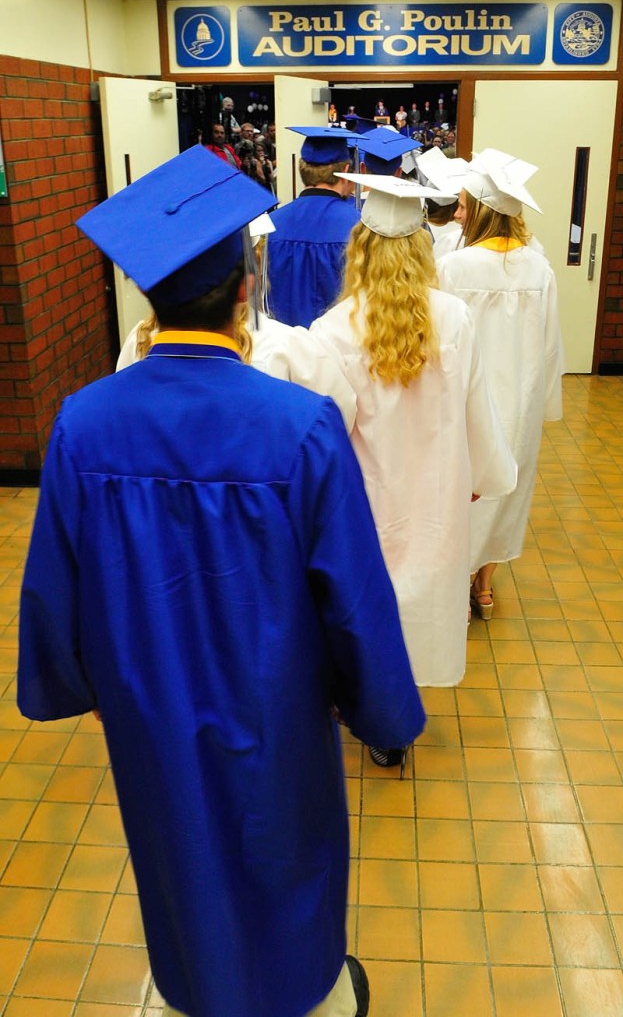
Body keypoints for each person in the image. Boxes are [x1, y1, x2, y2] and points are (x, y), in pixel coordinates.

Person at [17, 145, 426, 1017]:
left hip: (148, 706)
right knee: (286, 841)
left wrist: (72, 684)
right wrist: (382, 710)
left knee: (178, 846)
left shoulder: (83, 424)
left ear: (146, 297)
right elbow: (353, 599)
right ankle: (300, 990)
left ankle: (198, 990)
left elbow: (55, 586)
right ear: (247, 289)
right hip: (274, 703)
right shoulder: (300, 427)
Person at [263, 172, 516, 713]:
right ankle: (404, 699)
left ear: (359, 250)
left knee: (365, 592)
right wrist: (485, 475)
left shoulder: (333, 327)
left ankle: (367, 697)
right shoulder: (455, 318)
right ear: (424, 248)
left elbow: (331, 425)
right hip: (437, 488)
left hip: (365, 492)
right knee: (424, 593)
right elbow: (477, 405)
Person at [436, 148, 564, 619]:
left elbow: (442, 339)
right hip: (520, 404)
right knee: (507, 489)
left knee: (464, 490)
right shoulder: (540, 269)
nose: (459, 214)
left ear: (485, 212)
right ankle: (485, 585)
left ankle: (458, 584)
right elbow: (551, 345)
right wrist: (543, 402)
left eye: (466, 206)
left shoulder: (455, 267)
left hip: (469, 401)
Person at [266, 125, 367, 328]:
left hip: (282, 347)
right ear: (347, 171)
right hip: (336, 348)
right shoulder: (359, 226)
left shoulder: (270, 224)